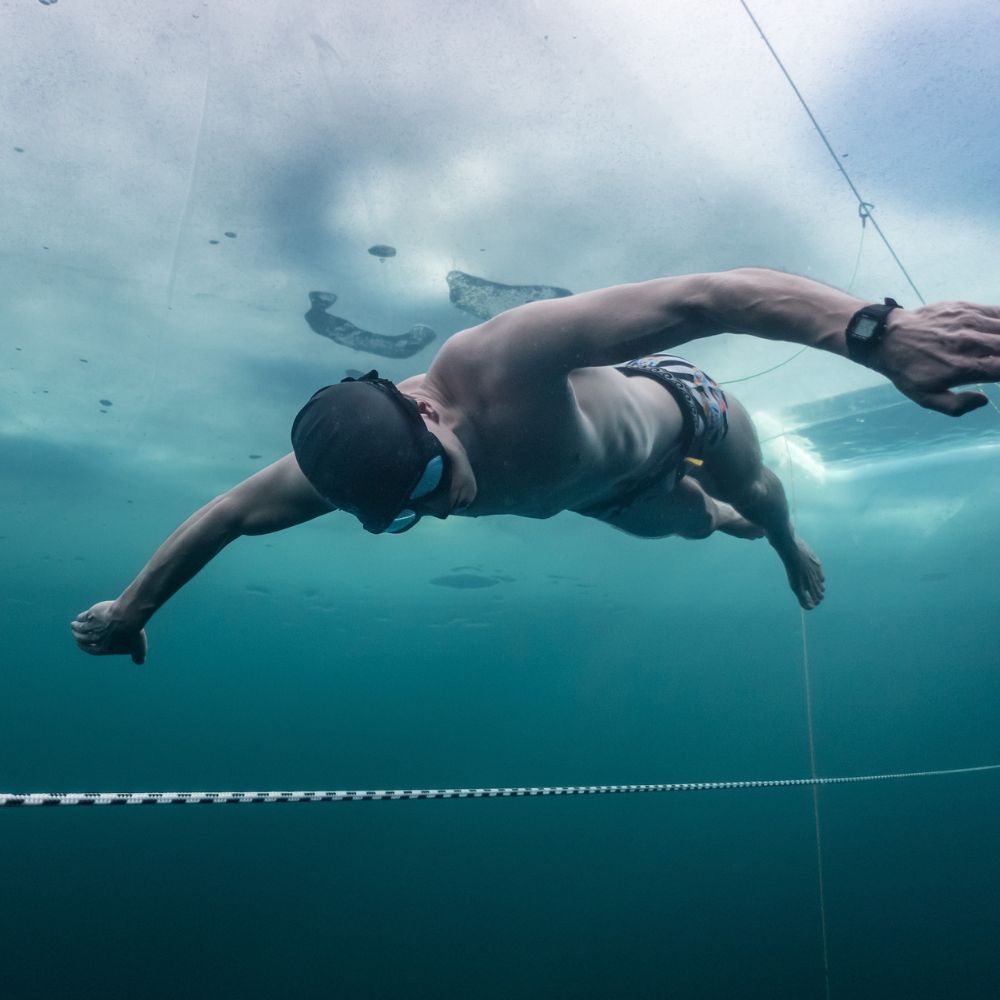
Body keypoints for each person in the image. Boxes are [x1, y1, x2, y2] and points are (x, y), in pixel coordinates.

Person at [71, 267, 1000, 664]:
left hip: (686, 413)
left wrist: (873, 332)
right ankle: (722, 522)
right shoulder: (359, 466)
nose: (439, 508)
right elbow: (228, 515)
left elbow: (707, 296)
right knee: (692, 525)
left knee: (756, 498)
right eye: (408, 515)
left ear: (426, 409)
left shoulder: (499, 359)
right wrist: (131, 611)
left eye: (430, 481)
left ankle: (786, 545)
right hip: (605, 496)